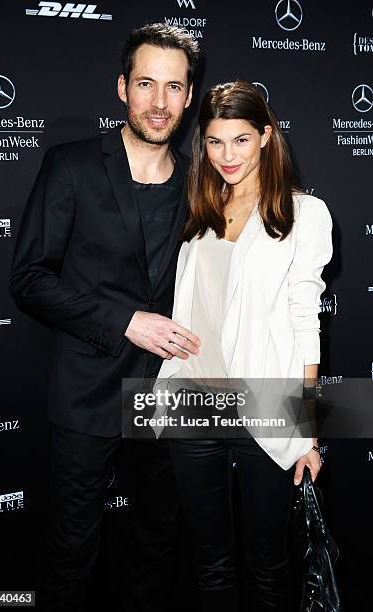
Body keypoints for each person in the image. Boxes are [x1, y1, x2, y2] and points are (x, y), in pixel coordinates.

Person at [9, 23, 200, 612]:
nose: (159, 103)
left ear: (189, 97)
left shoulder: (202, 183)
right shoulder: (72, 166)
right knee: (72, 555)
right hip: (87, 393)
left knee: (158, 547)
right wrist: (125, 320)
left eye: (173, 87)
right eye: (146, 84)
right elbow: (29, 279)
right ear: (123, 87)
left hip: (168, 396)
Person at [156, 80, 333, 611]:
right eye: (214, 142)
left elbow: (307, 324)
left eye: (239, 140)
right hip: (192, 402)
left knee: (268, 564)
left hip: (264, 407)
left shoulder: (303, 214)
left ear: (265, 136)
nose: (226, 156)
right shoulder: (198, 207)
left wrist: (308, 430)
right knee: (209, 563)